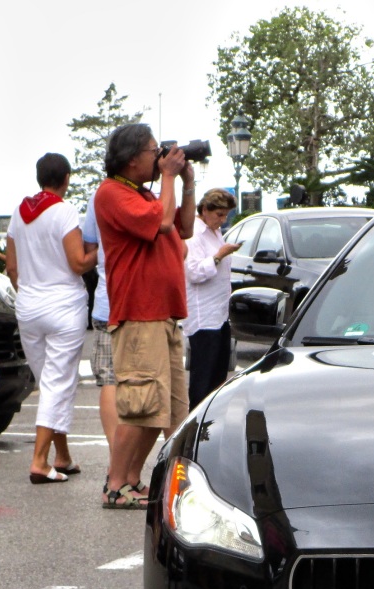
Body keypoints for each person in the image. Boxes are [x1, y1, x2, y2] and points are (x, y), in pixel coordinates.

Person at [93, 122, 195, 509]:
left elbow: (183, 227)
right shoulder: (111, 194)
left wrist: (185, 182)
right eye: (155, 150)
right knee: (139, 406)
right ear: (132, 157)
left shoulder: (146, 194)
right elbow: (163, 223)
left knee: (160, 408)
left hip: (163, 315)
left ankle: (132, 481)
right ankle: (115, 484)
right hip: (139, 315)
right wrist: (169, 176)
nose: (161, 156)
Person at [4, 153, 97, 485]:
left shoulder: (19, 212)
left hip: (28, 304)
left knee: (49, 384)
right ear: (67, 178)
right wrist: (99, 251)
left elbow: (12, 268)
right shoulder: (64, 210)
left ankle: (63, 455)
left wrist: (29, 288)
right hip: (63, 304)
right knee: (58, 384)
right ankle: (40, 461)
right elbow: (77, 262)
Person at [184, 188, 243, 409]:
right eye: (219, 214)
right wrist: (219, 255)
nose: (222, 220)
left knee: (218, 377)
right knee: (203, 379)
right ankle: (196, 421)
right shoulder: (194, 234)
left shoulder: (214, 232)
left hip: (219, 314)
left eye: (225, 215)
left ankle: (210, 418)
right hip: (204, 317)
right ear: (205, 209)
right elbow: (195, 272)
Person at [80, 189, 119, 503]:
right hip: (141, 303)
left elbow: (89, 247)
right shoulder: (152, 193)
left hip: (107, 302)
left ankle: (115, 460)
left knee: (109, 380)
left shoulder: (99, 197)